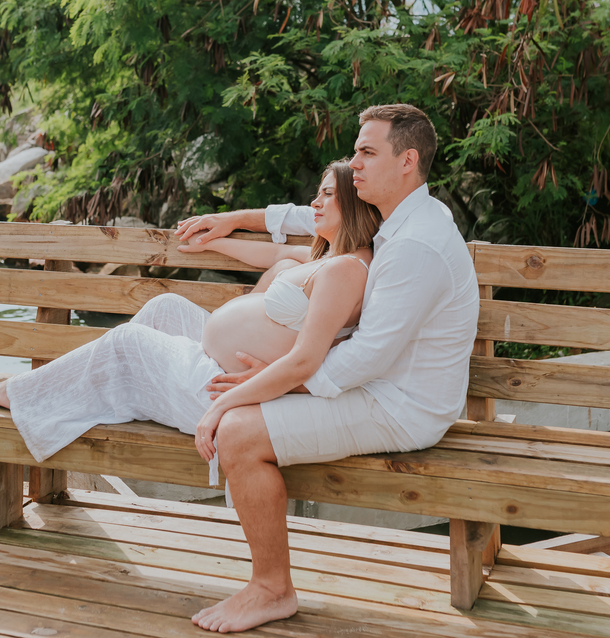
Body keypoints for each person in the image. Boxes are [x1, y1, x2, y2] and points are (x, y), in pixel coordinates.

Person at [176, 103, 479, 633]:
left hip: (402, 407)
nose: (354, 164)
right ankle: (268, 582)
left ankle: (272, 589)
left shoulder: (415, 246)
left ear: (406, 161)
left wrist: (274, 382)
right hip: (381, 388)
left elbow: (366, 359)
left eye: (367, 152)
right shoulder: (403, 214)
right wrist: (237, 220)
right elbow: (311, 213)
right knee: (242, 415)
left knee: (240, 432)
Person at [0, 160, 381, 472]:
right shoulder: (329, 256)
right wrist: (215, 240)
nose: (315, 202)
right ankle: (75, 393)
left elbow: (311, 356)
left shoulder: (346, 272)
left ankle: (27, 396)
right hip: (224, 365)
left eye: (327, 195)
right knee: (164, 308)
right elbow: (275, 253)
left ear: (355, 201)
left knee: (126, 343)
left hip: (231, 389)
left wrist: (247, 389)